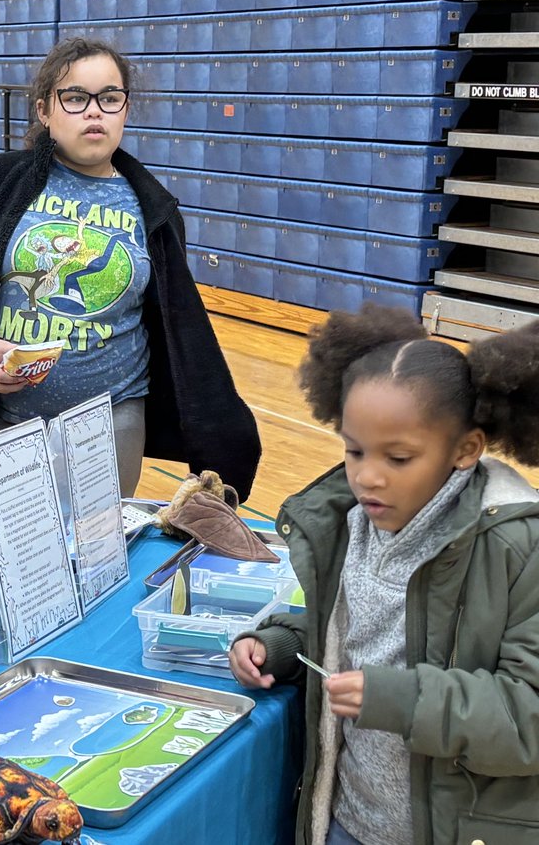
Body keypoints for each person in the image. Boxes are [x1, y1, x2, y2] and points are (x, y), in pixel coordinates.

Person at [229, 303, 539, 845]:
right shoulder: (349, 526)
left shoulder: (516, 548)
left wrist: (399, 700)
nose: (367, 476)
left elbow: (528, 717)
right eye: (354, 450)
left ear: (466, 449)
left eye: (398, 458)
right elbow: (358, 633)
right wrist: (282, 644)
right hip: (349, 819)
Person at [0, 37, 261, 500]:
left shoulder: (155, 210)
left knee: (97, 561)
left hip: (113, 421)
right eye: (75, 97)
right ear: (44, 110)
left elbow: (179, 335)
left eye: (109, 98)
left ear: (125, 108)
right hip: (1, 416)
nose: (94, 112)